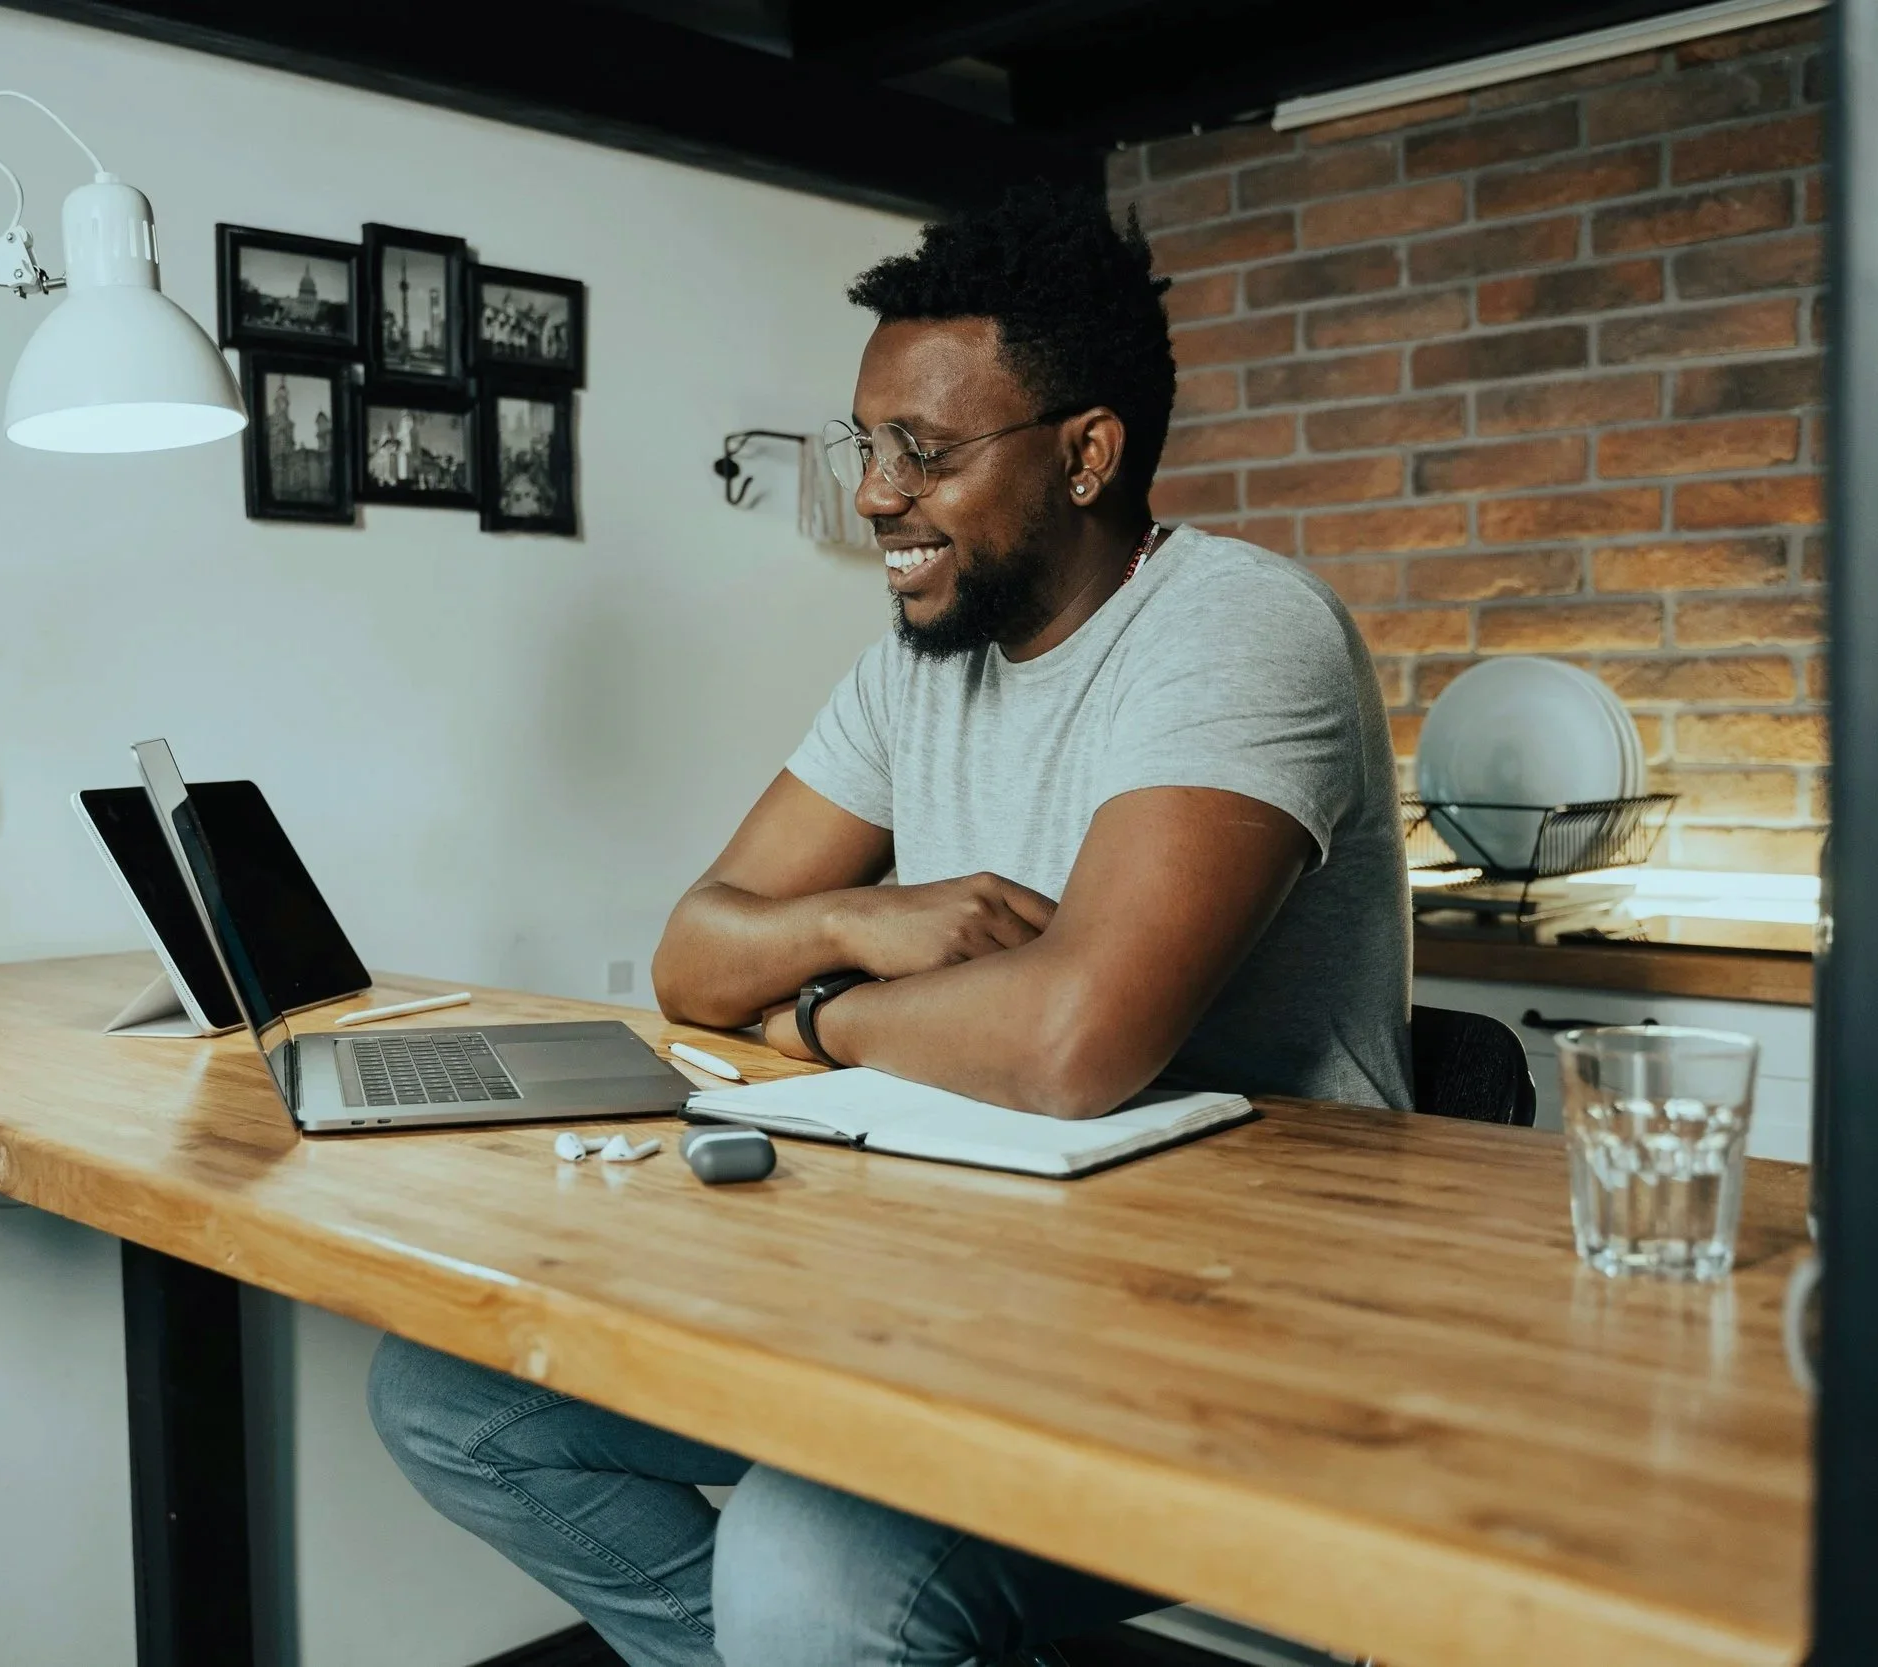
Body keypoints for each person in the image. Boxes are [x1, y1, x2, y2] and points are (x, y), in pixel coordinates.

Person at [370, 184, 1412, 1666]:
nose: (872, 495)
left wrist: (811, 1012)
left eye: (921, 450)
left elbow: (1070, 1041)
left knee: (808, 1568)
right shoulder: (921, 666)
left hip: (1236, 1308)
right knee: (453, 1396)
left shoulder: (1236, 630)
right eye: (868, 444)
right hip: (976, 1266)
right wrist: (872, 918)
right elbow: (692, 951)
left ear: (1089, 452)